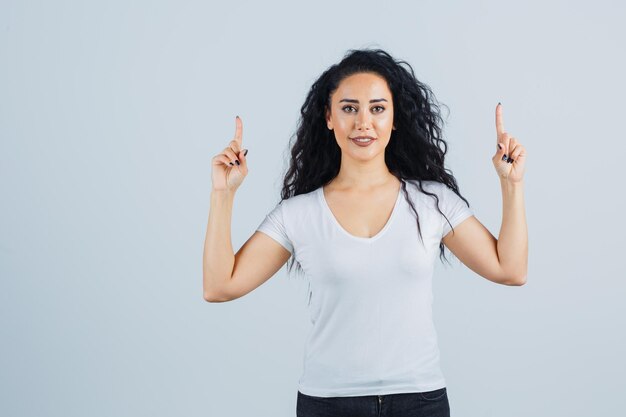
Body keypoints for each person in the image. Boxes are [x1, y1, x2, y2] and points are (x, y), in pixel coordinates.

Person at [203, 48, 528, 417]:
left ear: (394, 119)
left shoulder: (432, 202)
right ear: (328, 117)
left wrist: (511, 184)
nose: (363, 123)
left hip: (419, 400)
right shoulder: (299, 214)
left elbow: (510, 269)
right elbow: (219, 286)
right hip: (328, 402)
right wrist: (222, 193)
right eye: (348, 108)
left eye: (377, 108)